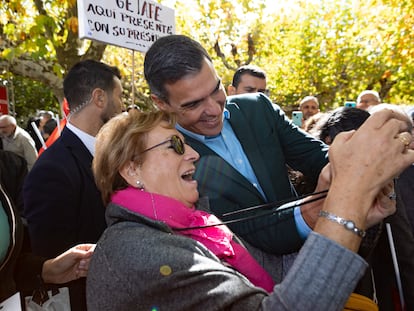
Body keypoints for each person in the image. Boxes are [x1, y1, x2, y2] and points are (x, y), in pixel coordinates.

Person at [87, 109, 414, 310]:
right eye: (175, 145)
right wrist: (348, 202)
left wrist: (332, 202)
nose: (194, 155)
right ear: (131, 170)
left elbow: (279, 277)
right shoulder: (136, 252)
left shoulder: (200, 226)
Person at [144, 35, 330, 263]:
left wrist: (351, 162)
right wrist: (317, 210)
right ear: (160, 102)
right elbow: (249, 229)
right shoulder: (166, 157)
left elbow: (315, 156)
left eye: (215, 90)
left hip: (313, 254)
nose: (213, 109)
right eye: (193, 104)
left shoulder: (258, 108)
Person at [23, 59, 123, 310]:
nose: (123, 107)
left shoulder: (115, 155)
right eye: (119, 97)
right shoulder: (53, 169)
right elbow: (55, 260)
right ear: (99, 97)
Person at [316, 106, 414, 310]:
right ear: (327, 141)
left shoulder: (384, 180)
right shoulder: (308, 177)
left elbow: (401, 245)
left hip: (372, 289)